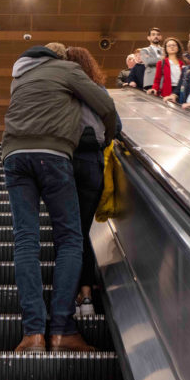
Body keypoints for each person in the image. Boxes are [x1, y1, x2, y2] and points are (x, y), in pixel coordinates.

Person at [3, 42, 117, 353]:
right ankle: (62, 329)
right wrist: (107, 136)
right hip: (52, 155)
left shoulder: (21, 78)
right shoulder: (67, 70)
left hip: (13, 156)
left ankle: (33, 334)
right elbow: (106, 106)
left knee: (25, 239)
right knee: (69, 239)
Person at [63, 47, 116, 317]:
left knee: (67, 233)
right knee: (82, 231)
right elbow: (114, 125)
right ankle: (87, 296)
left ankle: (69, 297)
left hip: (65, 161)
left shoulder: (63, 91)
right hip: (92, 162)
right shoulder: (99, 91)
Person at [149, 37, 186, 101]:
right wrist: (154, 89)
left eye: (174, 45)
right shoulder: (161, 63)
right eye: (169, 46)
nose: (172, 47)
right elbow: (157, 80)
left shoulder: (184, 62)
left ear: (178, 47)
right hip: (168, 91)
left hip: (182, 90)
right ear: (165, 49)